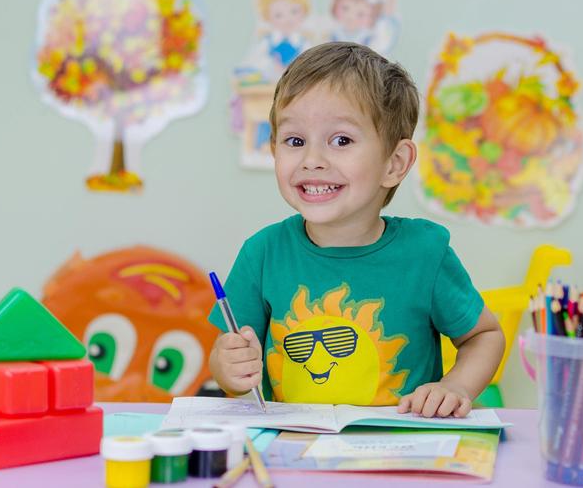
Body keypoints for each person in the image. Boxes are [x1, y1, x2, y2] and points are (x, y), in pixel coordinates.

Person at [209, 42, 504, 418]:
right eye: (295, 141)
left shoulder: (425, 253)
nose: (312, 160)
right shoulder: (262, 253)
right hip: (294, 453)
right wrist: (229, 369)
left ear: (394, 163)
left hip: (397, 458)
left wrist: (455, 386)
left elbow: (483, 336)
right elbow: (227, 362)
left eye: (341, 140)